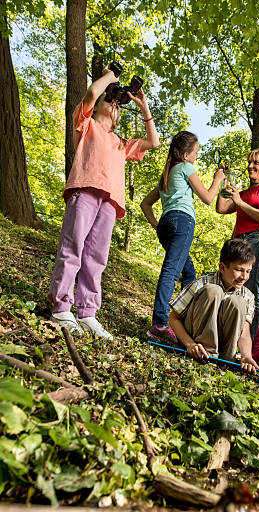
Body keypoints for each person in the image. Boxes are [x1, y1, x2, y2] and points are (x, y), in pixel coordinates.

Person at [48, 64, 159, 339]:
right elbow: (90, 94)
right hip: (84, 190)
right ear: (97, 107)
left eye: (117, 103)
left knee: (96, 257)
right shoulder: (86, 125)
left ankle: (87, 313)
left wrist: (143, 105)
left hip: (110, 202)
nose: (113, 105)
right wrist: (111, 76)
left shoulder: (122, 143)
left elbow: (153, 142)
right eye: (108, 100)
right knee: (73, 246)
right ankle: (61, 307)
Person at [140, 131, 225, 344]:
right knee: (171, 271)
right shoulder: (186, 168)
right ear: (185, 155)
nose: (197, 156)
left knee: (188, 274)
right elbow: (207, 197)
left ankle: (186, 322)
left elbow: (145, 204)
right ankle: (160, 324)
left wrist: (157, 226)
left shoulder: (167, 175)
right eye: (195, 152)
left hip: (167, 223)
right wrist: (218, 179)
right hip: (182, 221)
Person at [168, 238, 259, 373]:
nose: (244, 277)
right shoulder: (201, 284)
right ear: (222, 267)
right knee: (213, 291)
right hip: (195, 343)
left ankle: (225, 362)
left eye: (248, 271)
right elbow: (173, 318)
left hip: (223, 352)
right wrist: (189, 344)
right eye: (239, 270)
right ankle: (205, 355)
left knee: (238, 302)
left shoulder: (248, 296)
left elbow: (244, 333)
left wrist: (246, 356)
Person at [216, 148, 259, 339]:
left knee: (252, 291)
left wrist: (241, 203)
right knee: (231, 287)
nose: (250, 166)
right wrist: (224, 181)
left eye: (256, 163)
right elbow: (221, 208)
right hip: (238, 241)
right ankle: (230, 338)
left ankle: (252, 347)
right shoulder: (242, 192)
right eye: (249, 162)